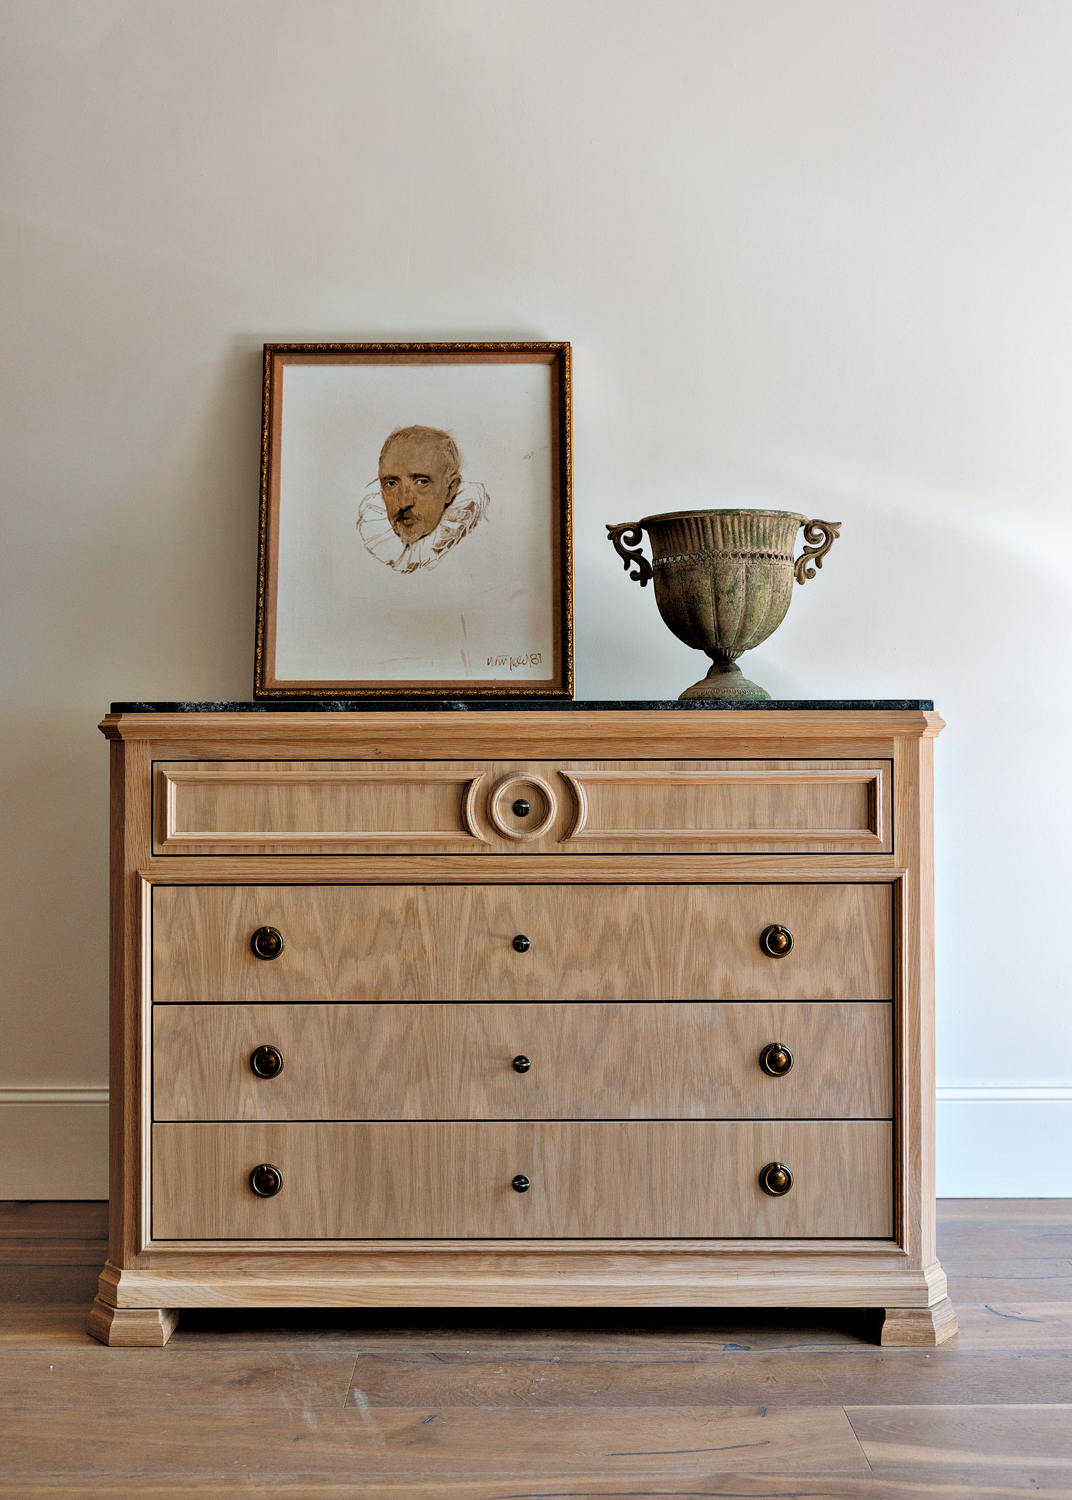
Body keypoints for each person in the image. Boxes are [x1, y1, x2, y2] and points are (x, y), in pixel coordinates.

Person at [357, 425, 489, 573]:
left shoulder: (479, 544)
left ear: (451, 489)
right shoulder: (374, 539)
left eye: (422, 482)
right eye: (391, 483)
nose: (404, 503)